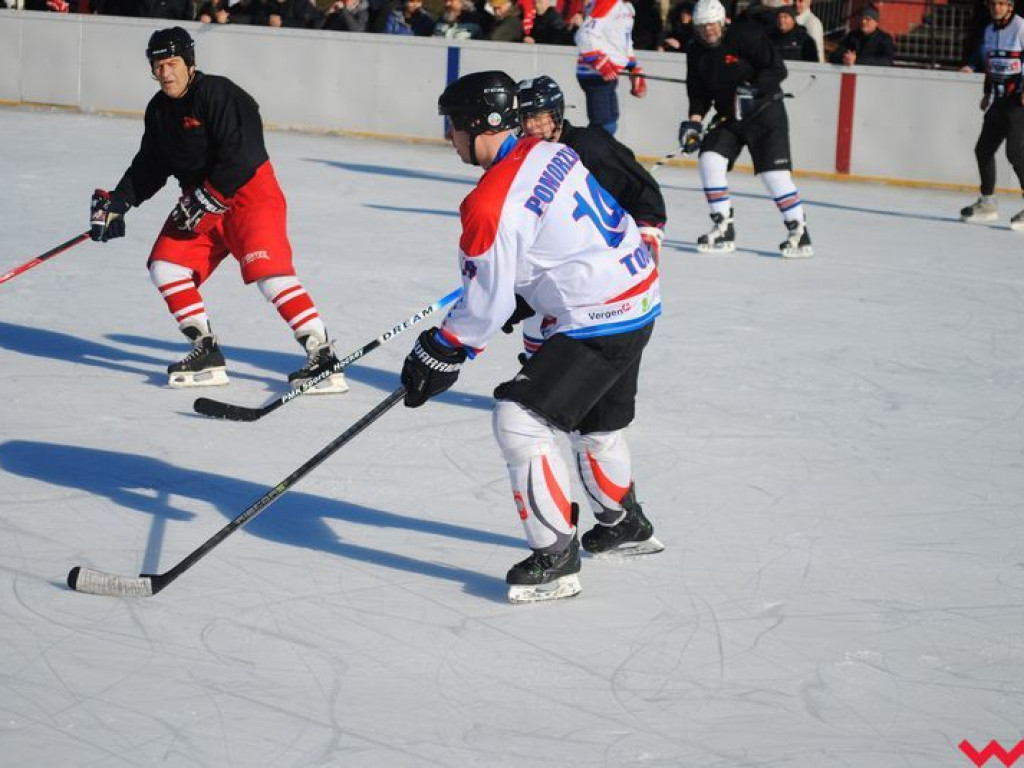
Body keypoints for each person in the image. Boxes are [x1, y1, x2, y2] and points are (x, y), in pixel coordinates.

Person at [400, 70, 664, 604]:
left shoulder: (488, 202)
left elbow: (486, 305)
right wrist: (523, 291)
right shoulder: (551, 152)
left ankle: (555, 557)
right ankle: (624, 525)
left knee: (519, 419)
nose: (449, 137)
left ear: (479, 124)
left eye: (453, 126)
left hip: (598, 313)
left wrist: (441, 350)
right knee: (595, 422)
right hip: (638, 295)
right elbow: (555, 239)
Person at [88, 27, 348, 392]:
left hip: (249, 196)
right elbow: (151, 164)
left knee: (268, 273)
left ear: (189, 63)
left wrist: (211, 195)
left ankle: (323, 357)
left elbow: (243, 153)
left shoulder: (219, 93)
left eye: (172, 63)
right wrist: (119, 202)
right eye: (158, 65)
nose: (165, 73)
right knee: (166, 266)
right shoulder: (159, 110)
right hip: (201, 203)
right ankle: (206, 352)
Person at [679, 0, 812, 257]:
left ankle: (799, 232)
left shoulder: (746, 36)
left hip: (764, 112)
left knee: (773, 175)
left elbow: (777, 69)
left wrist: (755, 88)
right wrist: (694, 122)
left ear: (722, 22)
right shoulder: (695, 51)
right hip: (729, 115)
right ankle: (723, 226)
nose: (708, 31)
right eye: (702, 27)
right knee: (709, 159)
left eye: (712, 25)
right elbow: (698, 92)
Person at [961, 0, 1024, 227]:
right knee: (983, 150)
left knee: (1015, 153)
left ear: (1010, 6)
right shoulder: (989, 30)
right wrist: (987, 93)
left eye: (1001, 3)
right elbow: (991, 64)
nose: (996, 8)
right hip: (999, 100)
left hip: (1019, 102)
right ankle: (987, 202)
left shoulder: (1021, 27)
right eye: (993, 4)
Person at [574, 0, 648, 135]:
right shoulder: (608, 2)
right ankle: (589, 154)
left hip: (609, 74)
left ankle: (596, 153)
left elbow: (624, 41)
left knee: (610, 123)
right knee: (604, 127)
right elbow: (584, 34)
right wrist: (601, 63)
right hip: (595, 74)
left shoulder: (627, 7)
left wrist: (633, 67)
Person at [828, 5, 895, 67]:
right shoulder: (853, 36)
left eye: (868, 19)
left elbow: (886, 61)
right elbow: (834, 55)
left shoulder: (884, 39)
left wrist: (857, 60)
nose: (863, 22)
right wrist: (845, 58)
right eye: (862, 18)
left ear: (876, 23)